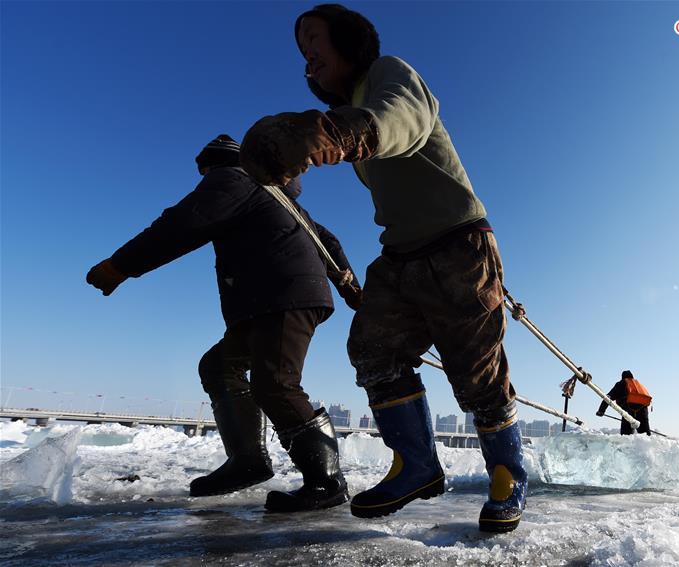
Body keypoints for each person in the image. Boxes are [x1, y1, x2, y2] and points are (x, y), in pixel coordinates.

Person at [238, 4, 526, 533]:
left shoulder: (389, 75)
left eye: (314, 42)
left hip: (460, 243)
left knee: (476, 370)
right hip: (400, 255)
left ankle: (508, 475)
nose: (307, 58)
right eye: (302, 53)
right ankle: (416, 463)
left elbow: (403, 122)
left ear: (348, 41)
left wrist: (342, 133)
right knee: (374, 348)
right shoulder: (351, 107)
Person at [86, 135, 361, 512]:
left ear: (215, 164)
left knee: (276, 383)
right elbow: (327, 240)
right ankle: (247, 461)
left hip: (282, 295)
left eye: (204, 171)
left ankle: (326, 482)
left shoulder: (234, 177)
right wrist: (352, 290)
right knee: (219, 366)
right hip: (271, 298)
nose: (203, 179)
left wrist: (121, 265)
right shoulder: (278, 195)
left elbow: (184, 222)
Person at [595, 370, 652, 435]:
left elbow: (608, 397)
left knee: (626, 436)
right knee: (645, 435)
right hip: (643, 410)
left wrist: (601, 411)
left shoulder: (622, 383)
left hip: (629, 410)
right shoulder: (639, 385)